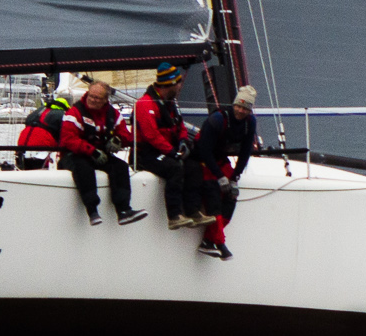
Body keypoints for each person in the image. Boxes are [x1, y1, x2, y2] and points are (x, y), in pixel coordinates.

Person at [59, 82, 147, 227]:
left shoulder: (113, 115)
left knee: (120, 167)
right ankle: (92, 210)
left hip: (100, 155)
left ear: (105, 100)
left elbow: (126, 134)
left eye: (97, 98)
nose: (93, 100)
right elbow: (68, 139)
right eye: (91, 96)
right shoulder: (74, 113)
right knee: (83, 168)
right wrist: (91, 151)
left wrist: (119, 140)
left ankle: (124, 210)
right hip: (75, 155)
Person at [133, 63, 207, 229]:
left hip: (168, 150)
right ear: (171, 84)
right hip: (147, 154)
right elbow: (151, 135)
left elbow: (179, 126)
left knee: (194, 167)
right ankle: (174, 215)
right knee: (175, 168)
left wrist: (182, 142)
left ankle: (193, 210)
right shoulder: (145, 104)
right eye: (179, 83)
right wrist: (173, 152)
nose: (181, 86)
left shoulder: (170, 103)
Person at [189, 85, 258, 260]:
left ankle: (208, 240)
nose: (241, 111)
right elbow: (204, 150)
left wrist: (234, 177)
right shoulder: (218, 120)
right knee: (213, 194)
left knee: (231, 196)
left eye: (245, 108)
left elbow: (245, 152)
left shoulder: (250, 123)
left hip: (219, 159)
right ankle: (220, 243)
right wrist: (220, 177)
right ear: (234, 104)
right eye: (239, 106)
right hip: (202, 159)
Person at [16, 94, 72, 170]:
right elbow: (65, 138)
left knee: (25, 167)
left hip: (23, 140)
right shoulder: (63, 115)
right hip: (42, 144)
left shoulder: (38, 111)